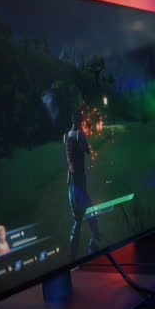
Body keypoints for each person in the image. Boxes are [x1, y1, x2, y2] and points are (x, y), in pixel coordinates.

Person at [64, 109, 101, 261]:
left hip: (71, 188)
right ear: (80, 120)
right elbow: (87, 150)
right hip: (79, 186)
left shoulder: (66, 135)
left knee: (78, 223)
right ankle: (93, 253)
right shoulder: (79, 134)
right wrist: (85, 133)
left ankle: (72, 258)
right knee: (93, 222)